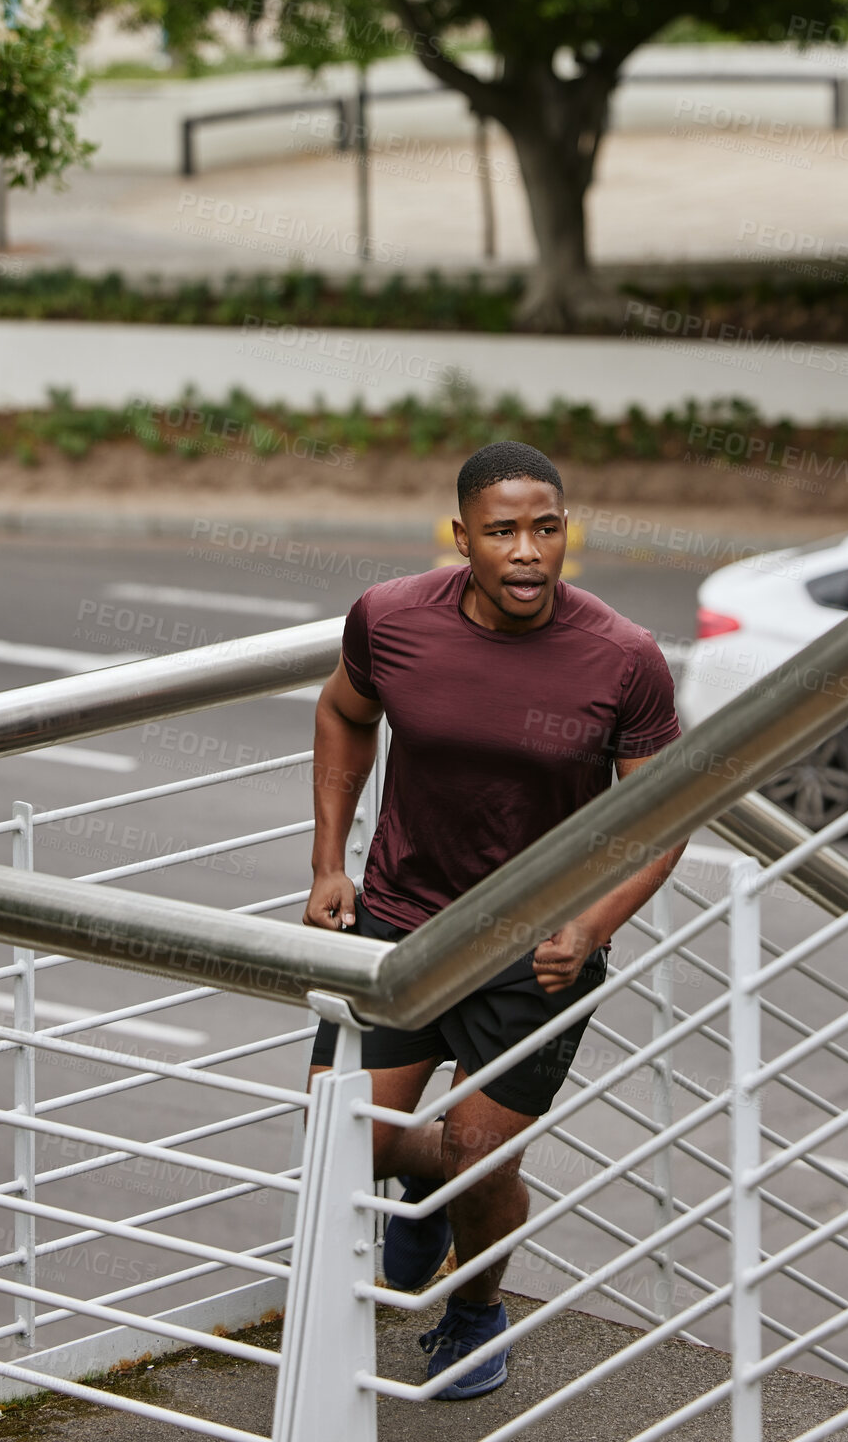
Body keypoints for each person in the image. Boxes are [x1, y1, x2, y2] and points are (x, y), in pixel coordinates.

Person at [305, 440, 686, 1399]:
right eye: (503, 531)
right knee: (346, 1137)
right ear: (462, 536)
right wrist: (326, 864)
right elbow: (344, 713)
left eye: (546, 529)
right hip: (399, 928)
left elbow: (662, 817)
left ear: (567, 534)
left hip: (536, 950)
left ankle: (475, 1308)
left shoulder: (622, 658)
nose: (527, 552)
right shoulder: (391, 619)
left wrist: (591, 927)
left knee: (481, 1155)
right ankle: (425, 1186)